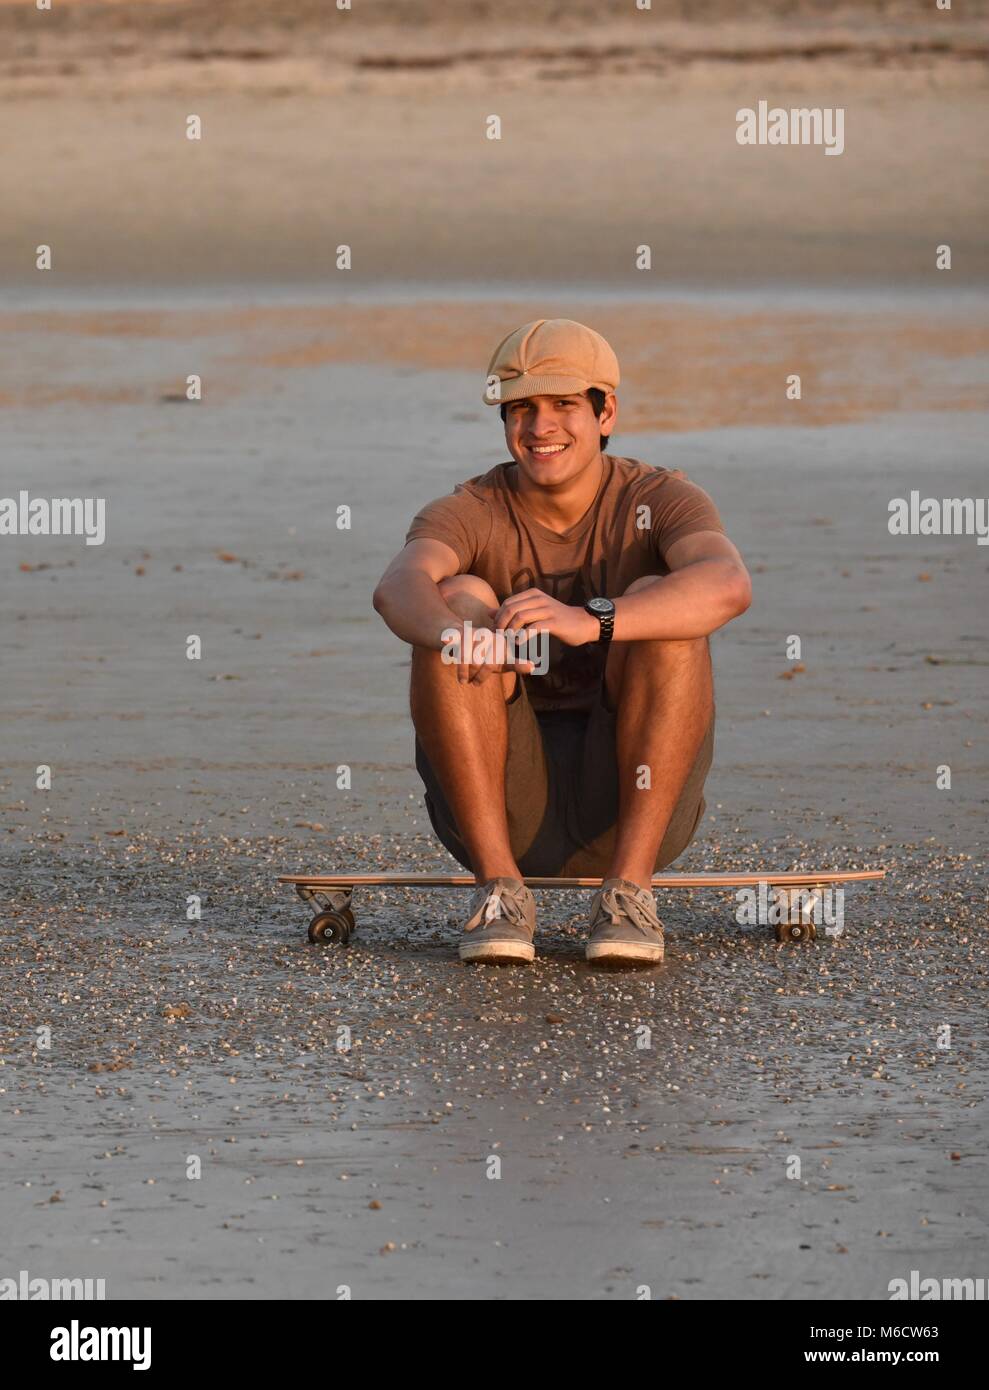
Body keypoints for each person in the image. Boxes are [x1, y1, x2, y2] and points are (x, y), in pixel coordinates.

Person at [373, 318, 751, 966]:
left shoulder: (657, 498)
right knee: (458, 599)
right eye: (520, 409)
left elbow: (727, 583)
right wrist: (456, 635)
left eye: (562, 406)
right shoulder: (471, 506)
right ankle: (498, 894)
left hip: (631, 814)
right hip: (499, 820)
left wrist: (592, 618)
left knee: (668, 607)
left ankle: (628, 898)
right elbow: (398, 585)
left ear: (606, 413)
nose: (540, 427)